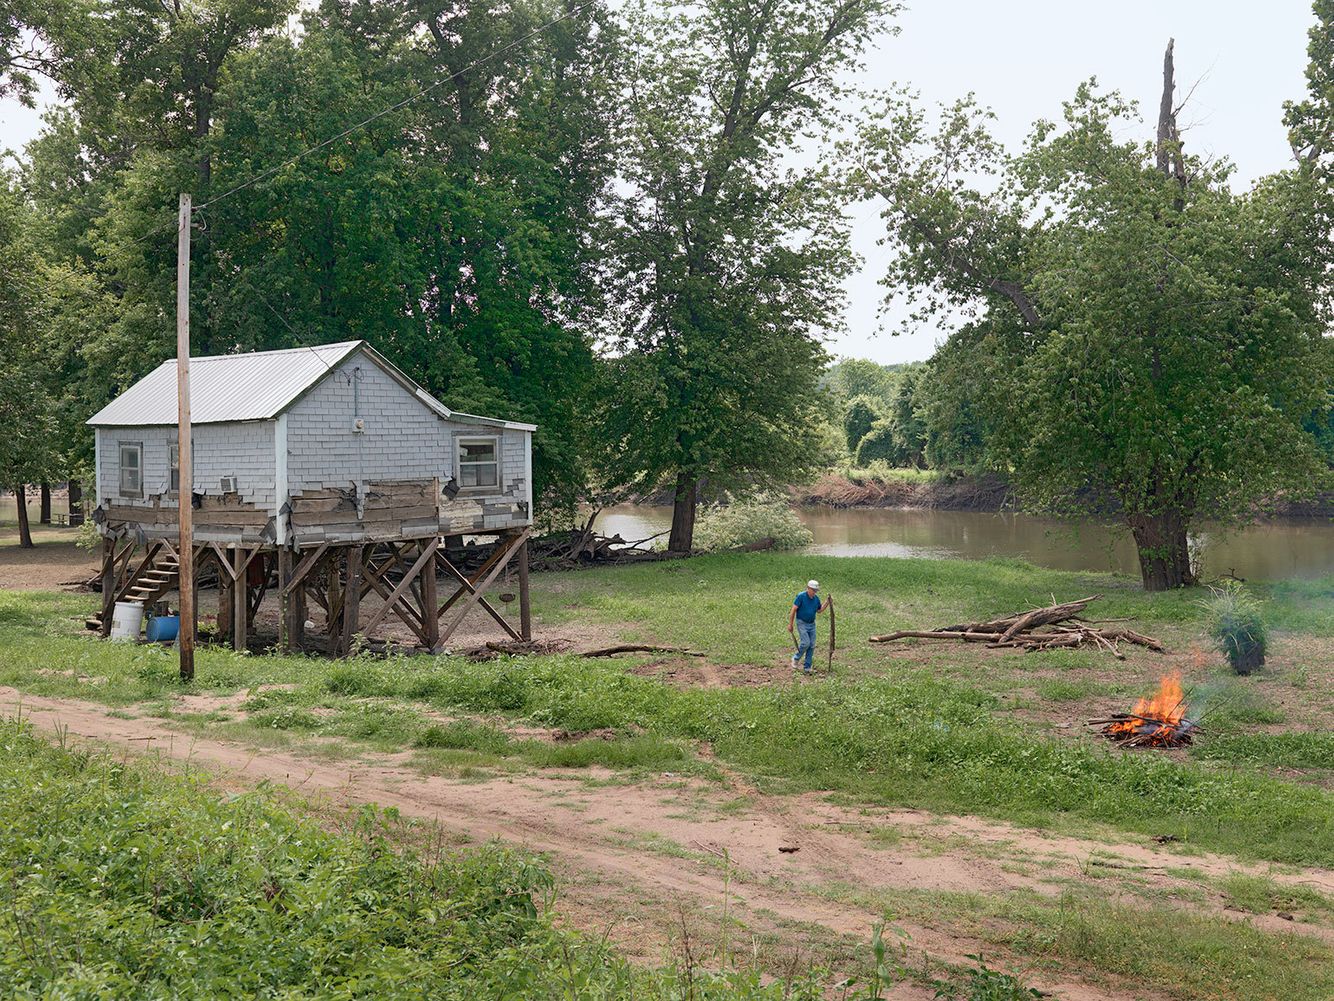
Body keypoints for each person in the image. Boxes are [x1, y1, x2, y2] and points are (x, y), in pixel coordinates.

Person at [788, 579, 831, 675]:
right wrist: (790, 624)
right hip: (802, 623)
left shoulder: (816, 599)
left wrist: (827, 602)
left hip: (812, 624)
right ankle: (796, 658)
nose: (814, 592)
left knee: (811, 645)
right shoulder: (801, 596)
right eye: (813, 590)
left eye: (816, 591)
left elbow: (819, 610)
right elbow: (793, 610)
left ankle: (807, 667)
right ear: (808, 588)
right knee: (805, 643)